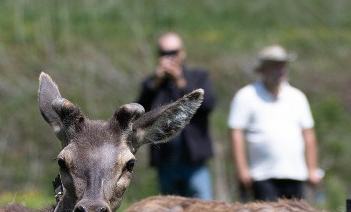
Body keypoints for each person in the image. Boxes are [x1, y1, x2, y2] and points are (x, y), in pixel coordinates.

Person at [228, 44, 320, 201]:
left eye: (283, 65)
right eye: (276, 66)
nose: (281, 70)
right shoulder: (246, 96)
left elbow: (308, 134)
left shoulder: (297, 97)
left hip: (295, 173)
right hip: (262, 175)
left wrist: (312, 169)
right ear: (264, 69)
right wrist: (242, 170)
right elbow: (236, 134)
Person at [137, 32, 216, 199]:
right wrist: (156, 83)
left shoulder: (198, 77)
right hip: (166, 163)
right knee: (170, 210)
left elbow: (208, 105)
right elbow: (139, 113)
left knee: (203, 208)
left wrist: (180, 82)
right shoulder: (152, 84)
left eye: (173, 52)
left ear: (182, 53)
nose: (169, 57)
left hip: (194, 162)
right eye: (164, 53)